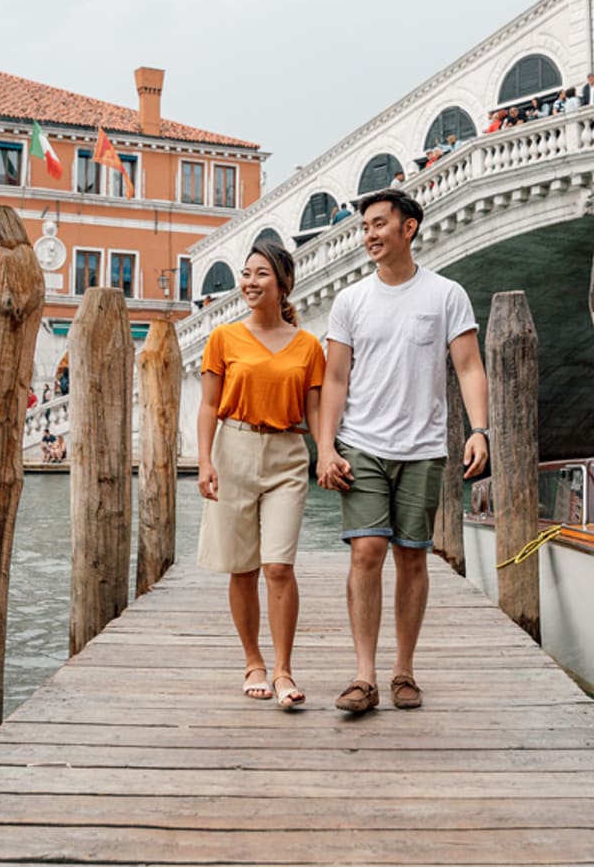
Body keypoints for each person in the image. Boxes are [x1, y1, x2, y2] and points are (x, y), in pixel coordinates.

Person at [315, 188, 490, 714]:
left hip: (423, 447)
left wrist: (479, 429)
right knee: (367, 551)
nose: (368, 235)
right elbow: (336, 379)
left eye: (378, 224)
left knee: (413, 556)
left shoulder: (446, 295)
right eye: (364, 226)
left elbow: (468, 367)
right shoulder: (350, 301)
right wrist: (326, 447)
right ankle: (364, 676)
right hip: (363, 444)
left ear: (408, 228)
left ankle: (403, 671)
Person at [197, 240, 325, 710]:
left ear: (283, 283)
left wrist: (328, 452)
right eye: (246, 274)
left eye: (261, 274)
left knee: (278, 566)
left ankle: (284, 668)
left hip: (288, 454)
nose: (250, 283)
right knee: (243, 566)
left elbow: (315, 412)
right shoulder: (223, 338)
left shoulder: (309, 345)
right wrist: (206, 461)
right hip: (232, 448)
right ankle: (253, 661)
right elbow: (209, 404)